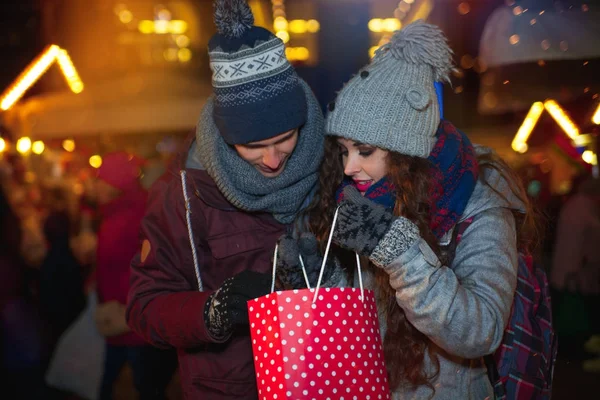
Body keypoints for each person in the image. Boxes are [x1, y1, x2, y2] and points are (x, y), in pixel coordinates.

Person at [285, 20, 539, 399]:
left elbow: (480, 331)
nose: (349, 167)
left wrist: (399, 250)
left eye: (364, 151)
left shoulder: (480, 209)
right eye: (343, 150)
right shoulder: (361, 200)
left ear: (405, 151)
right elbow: (361, 320)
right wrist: (313, 280)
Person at [125, 0, 325, 398]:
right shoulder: (184, 194)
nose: (271, 160)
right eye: (252, 145)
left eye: (285, 139)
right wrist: (211, 312)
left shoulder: (335, 164)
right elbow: (143, 307)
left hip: (326, 377)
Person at [93, 152, 177, 400]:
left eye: (100, 179)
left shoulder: (129, 216)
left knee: (144, 384)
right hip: (124, 313)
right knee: (134, 382)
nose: (94, 185)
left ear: (114, 183)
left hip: (131, 315)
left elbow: (146, 263)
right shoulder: (119, 211)